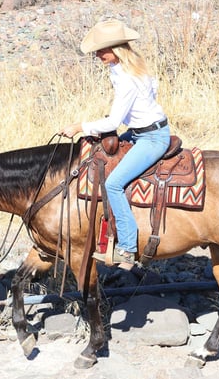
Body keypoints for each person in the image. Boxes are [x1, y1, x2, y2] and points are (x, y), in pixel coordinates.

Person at [60, 19, 170, 267]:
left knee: (114, 183)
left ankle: (128, 248)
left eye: (102, 49)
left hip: (151, 137)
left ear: (117, 49)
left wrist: (80, 127)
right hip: (143, 130)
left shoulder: (127, 78)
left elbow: (114, 122)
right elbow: (151, 92)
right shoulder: (125, 68)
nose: (98, 54)